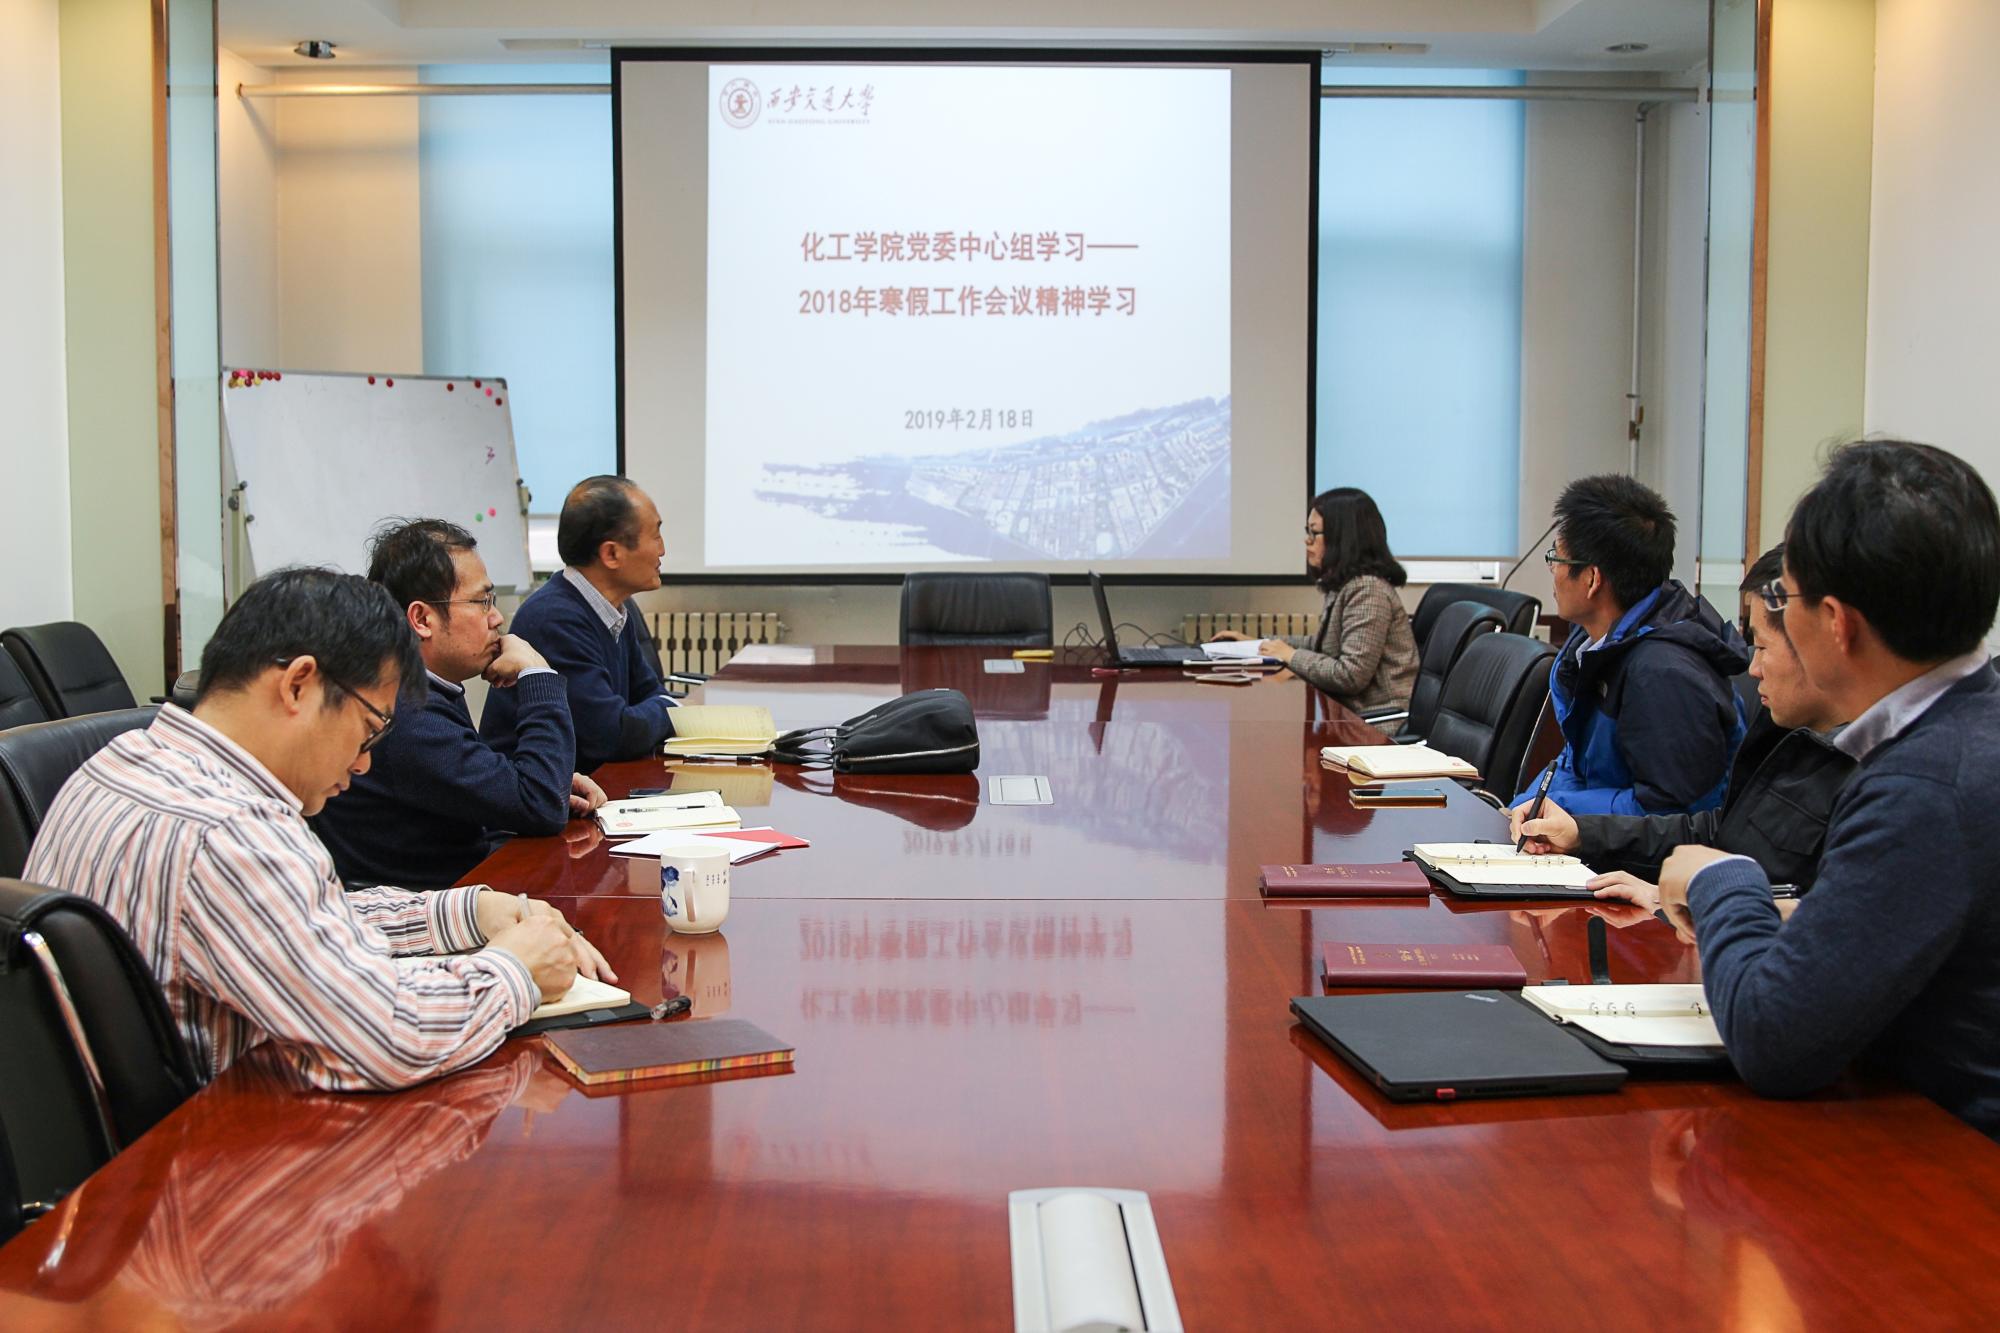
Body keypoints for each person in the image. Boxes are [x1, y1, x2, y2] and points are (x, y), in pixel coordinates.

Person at [22, 568, 613, 1092]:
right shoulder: (233, 833)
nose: (364, 762)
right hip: (214, 1150)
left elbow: (296, 921)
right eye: (370, 727)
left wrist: (470, 913)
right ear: (298, 684)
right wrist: (515, 968)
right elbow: (390, 1037)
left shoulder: (124, 759)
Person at [1654, 440, 2000, 1138]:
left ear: (1837, 623)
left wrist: (1723, 880)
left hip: (1942, 1163)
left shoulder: (1924, 786)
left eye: (1786, 599)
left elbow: (1773, 1040)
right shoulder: (1970, 726)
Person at [1509, 545, 1856, 905]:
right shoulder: (1785, 731)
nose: (1753, 669)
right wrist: (1583, 833)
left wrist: (1686, 902)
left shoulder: (1871, 774)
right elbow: (1721, 831)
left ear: (1830, 637)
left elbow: (1820, 917)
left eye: (1764, 648)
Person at [312, 519, 607, 889]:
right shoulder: (408, 714)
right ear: (422, 619)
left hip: (459, 889)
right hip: (429, 909)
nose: (497, 618)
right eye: (482, 601)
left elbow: (513, 796)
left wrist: (547, 783)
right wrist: (537, 673)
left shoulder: (421, 689)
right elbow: (540, 806)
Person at [1516, 474, 1749, 816]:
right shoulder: (1592, 643)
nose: (1553, 571)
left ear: (1592, 579)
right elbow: (1575, 765)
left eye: (1557, 559)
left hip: (1649, 849)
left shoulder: (1665, 675)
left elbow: (1672, 813)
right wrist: (1524, 808)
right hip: (1596, 835)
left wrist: (1554, 809)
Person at [481, 476, 677, 772]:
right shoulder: (554, 618)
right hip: (535, 794)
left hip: (591, 783)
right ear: (611, 554)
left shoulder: (614, 608)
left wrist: (658, 710)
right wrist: (670, 710)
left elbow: (651, 692)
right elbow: (611, 735)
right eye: (655, 535)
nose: (662, 550)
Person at [1213, 487, 1418, 711]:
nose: (1307, 541)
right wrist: (1260, 645)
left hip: (1375, 720)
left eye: (1314, 532)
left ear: (1342, 538)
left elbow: (1350, 676)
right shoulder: (1346, 584)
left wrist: (1290, 655)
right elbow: (1321, 645)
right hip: (1346, 712)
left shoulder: (1368, 590)